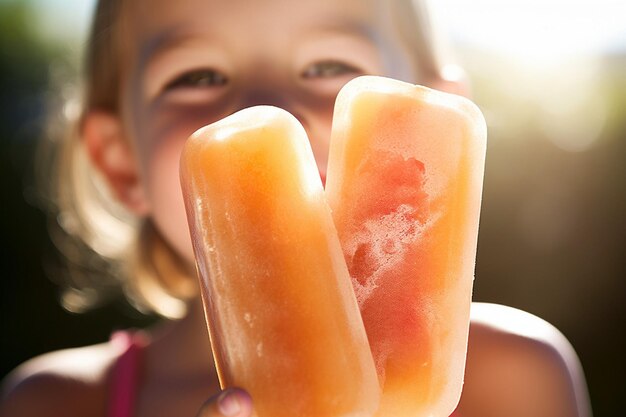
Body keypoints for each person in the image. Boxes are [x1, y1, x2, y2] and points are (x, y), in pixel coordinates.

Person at [0, 0, 592, 416]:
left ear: (436, 124)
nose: (267, 109)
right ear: (121, 160)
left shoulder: (516, 376)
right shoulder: (56, 403)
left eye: (328, 66)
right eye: (199, 75)